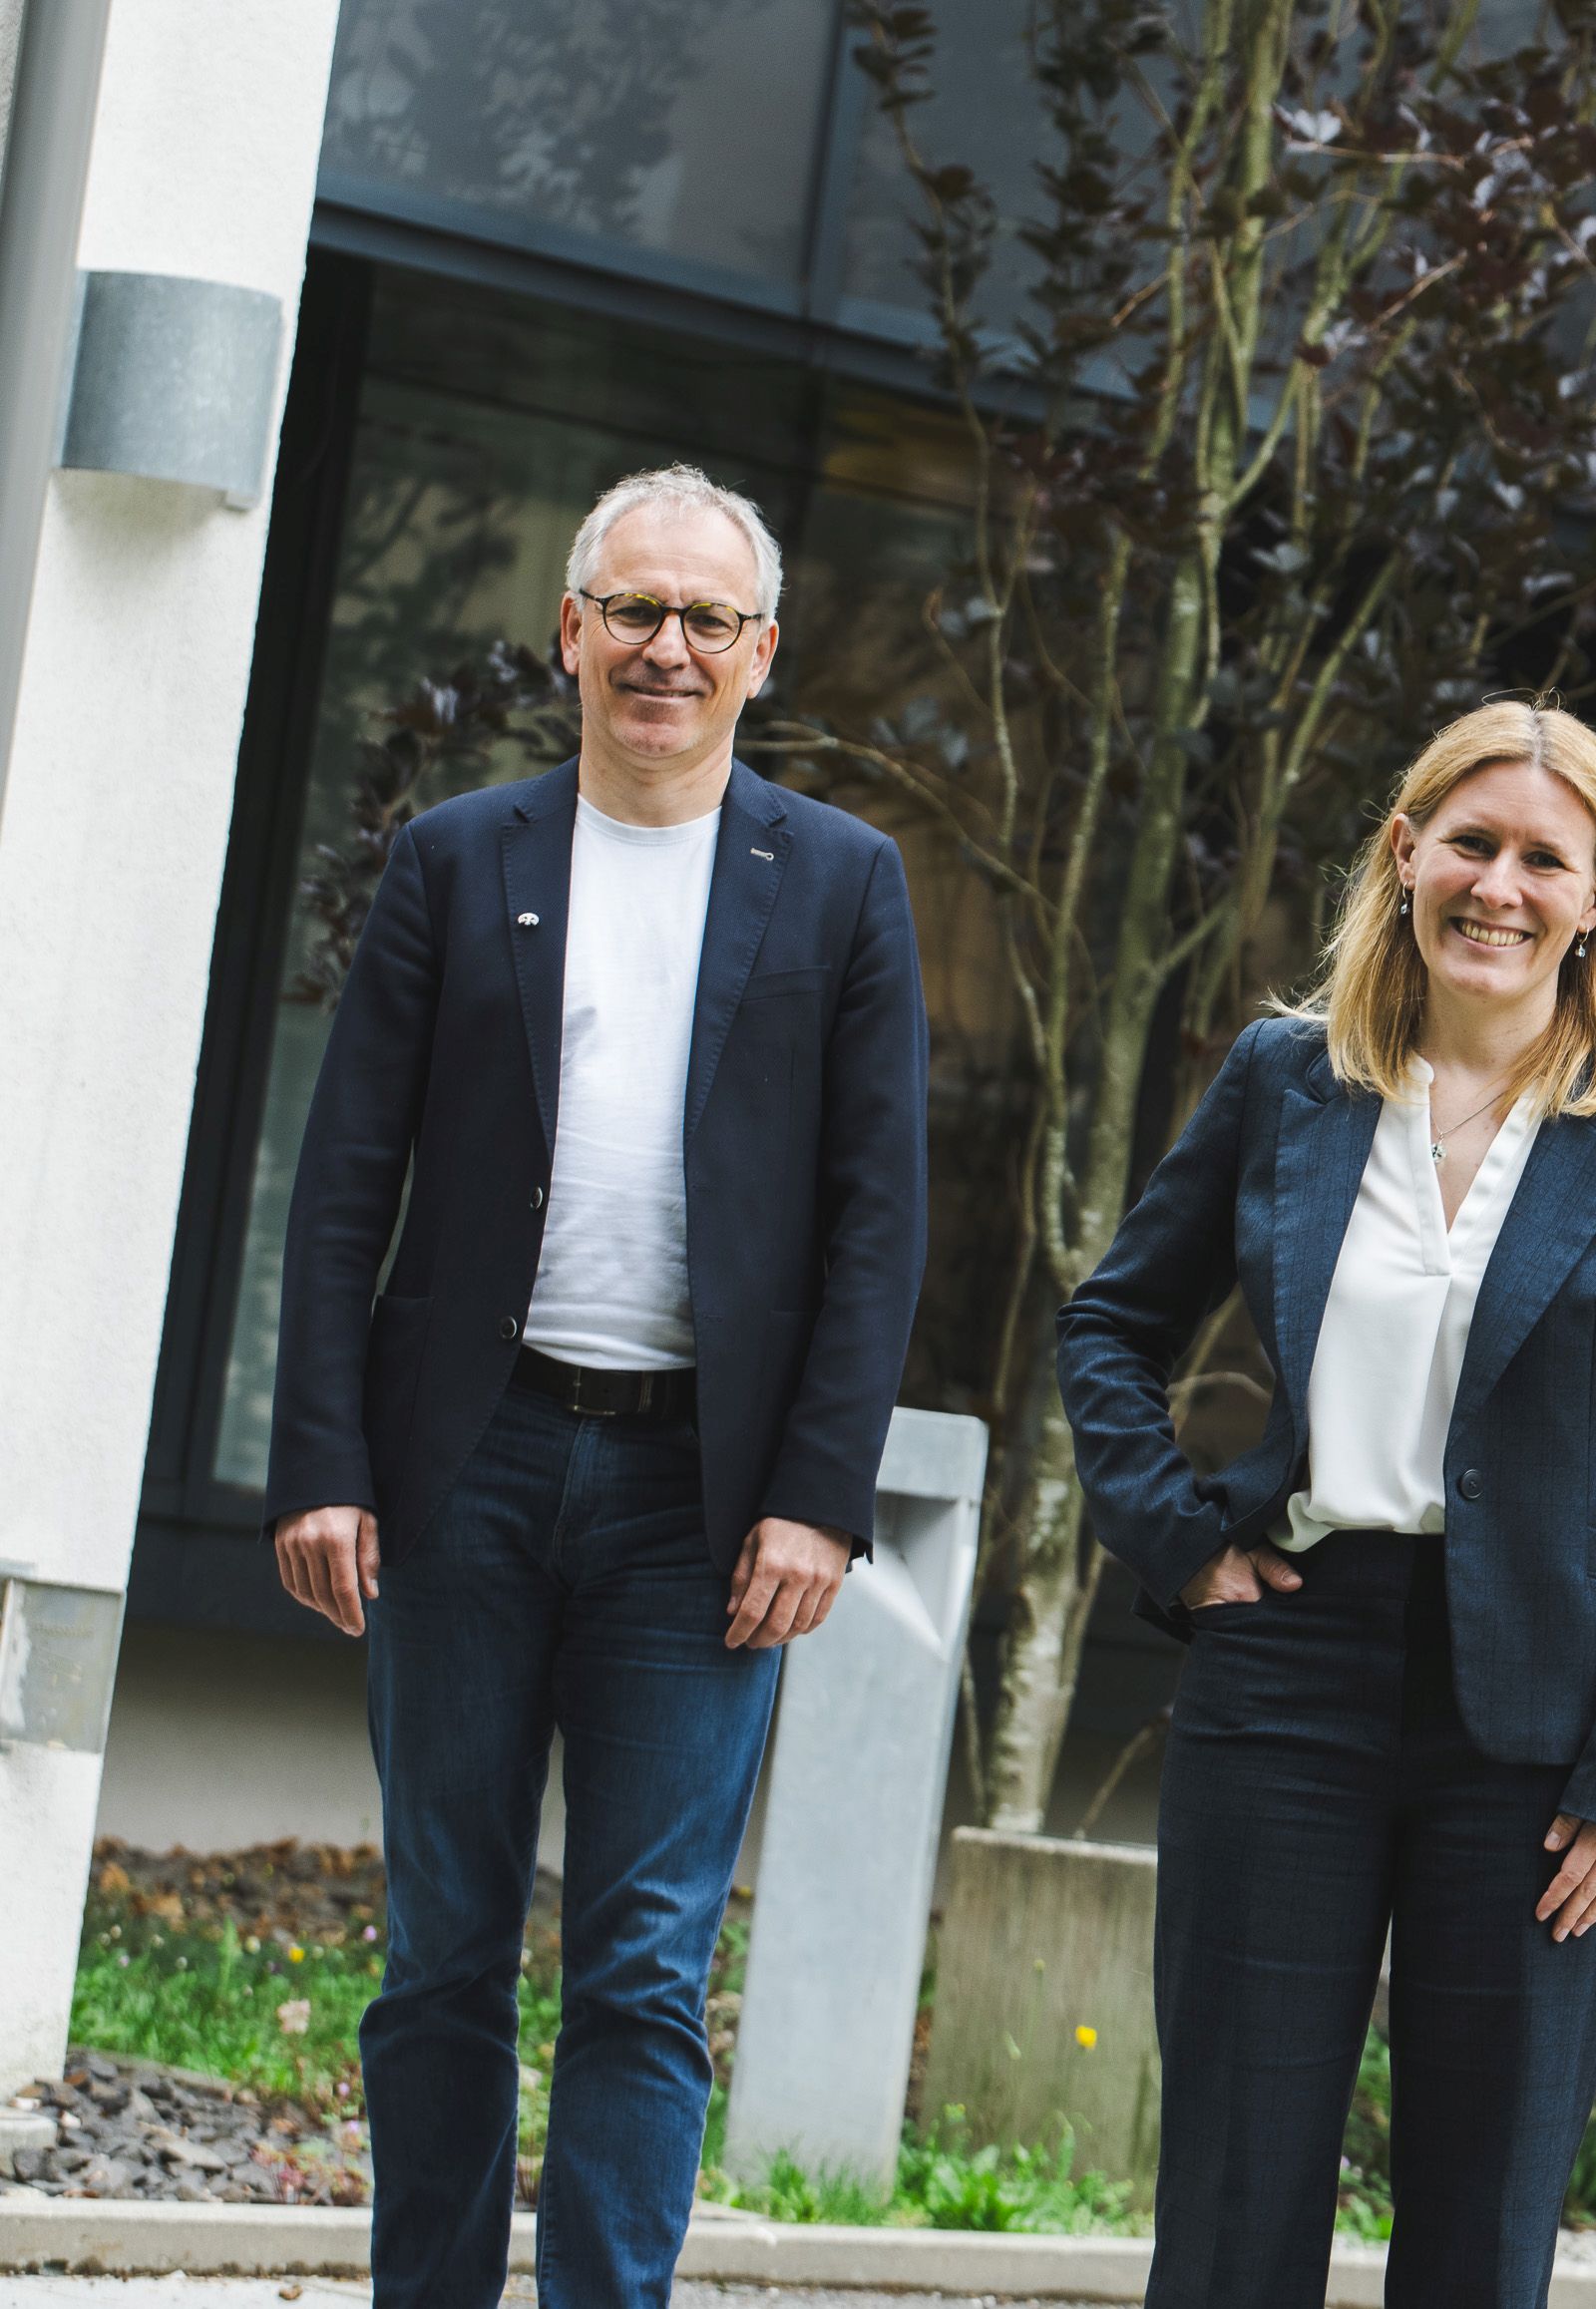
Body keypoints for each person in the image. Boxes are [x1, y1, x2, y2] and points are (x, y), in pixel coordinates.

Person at [263, 465, 930, 2306]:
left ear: (760, 656)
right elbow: (343, 1190)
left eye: (706, 620)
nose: (665, 648)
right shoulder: (456, 859)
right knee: (445, 1948)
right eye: (631, 610)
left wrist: (818, 1492)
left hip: (696, 1510)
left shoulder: (847, 888)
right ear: (571, 632)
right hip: (461, 1474)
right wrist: (323, 1458)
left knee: (643, 1965)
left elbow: (880, 1226)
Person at [1057, 700, 1596, 2309]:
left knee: (1481, 2216)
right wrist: (1177, 1539)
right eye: (1471, 844)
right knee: (1235, 2186)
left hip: (1539, 1727)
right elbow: (1108, 1324)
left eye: (1543, 860)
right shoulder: (1286, 1080)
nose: (1499, 887)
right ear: (1406, 855)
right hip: (1288, 1665)